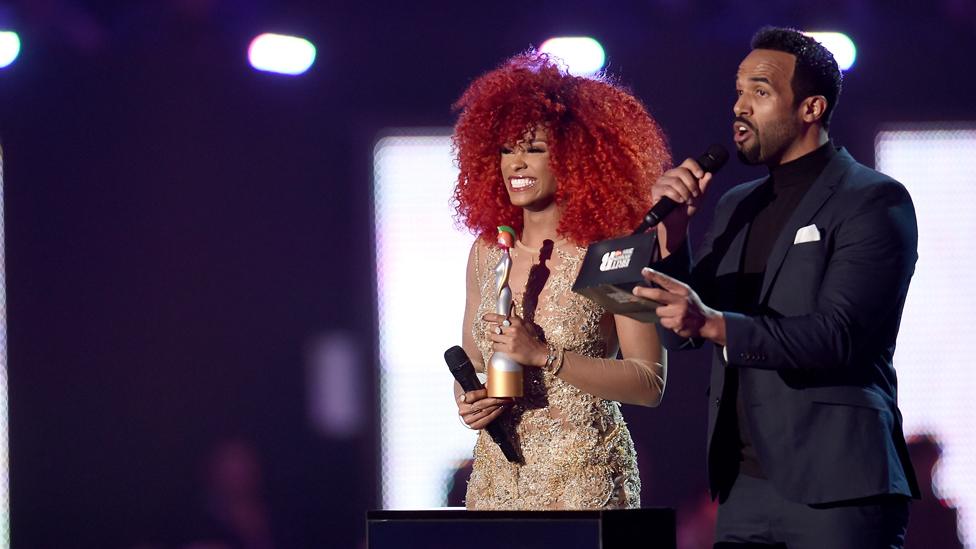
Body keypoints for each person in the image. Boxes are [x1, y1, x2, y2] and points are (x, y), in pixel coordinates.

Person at [633, 27, 920, 547]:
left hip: (838, 488)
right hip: (743, 489)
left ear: (811, 108)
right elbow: (684, 335)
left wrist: (713, 322)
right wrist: (672, 238)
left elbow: (839, 337)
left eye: (760, 92)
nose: (741, 106)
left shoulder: (873, 200)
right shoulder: (736, 204)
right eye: (739, 91)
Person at [451, 52, 670, 510]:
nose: (516, 163)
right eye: (507, 149)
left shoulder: (610, 251)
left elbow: (649, 382)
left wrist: (545, 356)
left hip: (582, 484)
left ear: (574, 157)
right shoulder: (487, 251)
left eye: (534, 149)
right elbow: (471, 358)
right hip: (496, 483)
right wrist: (468, 397)